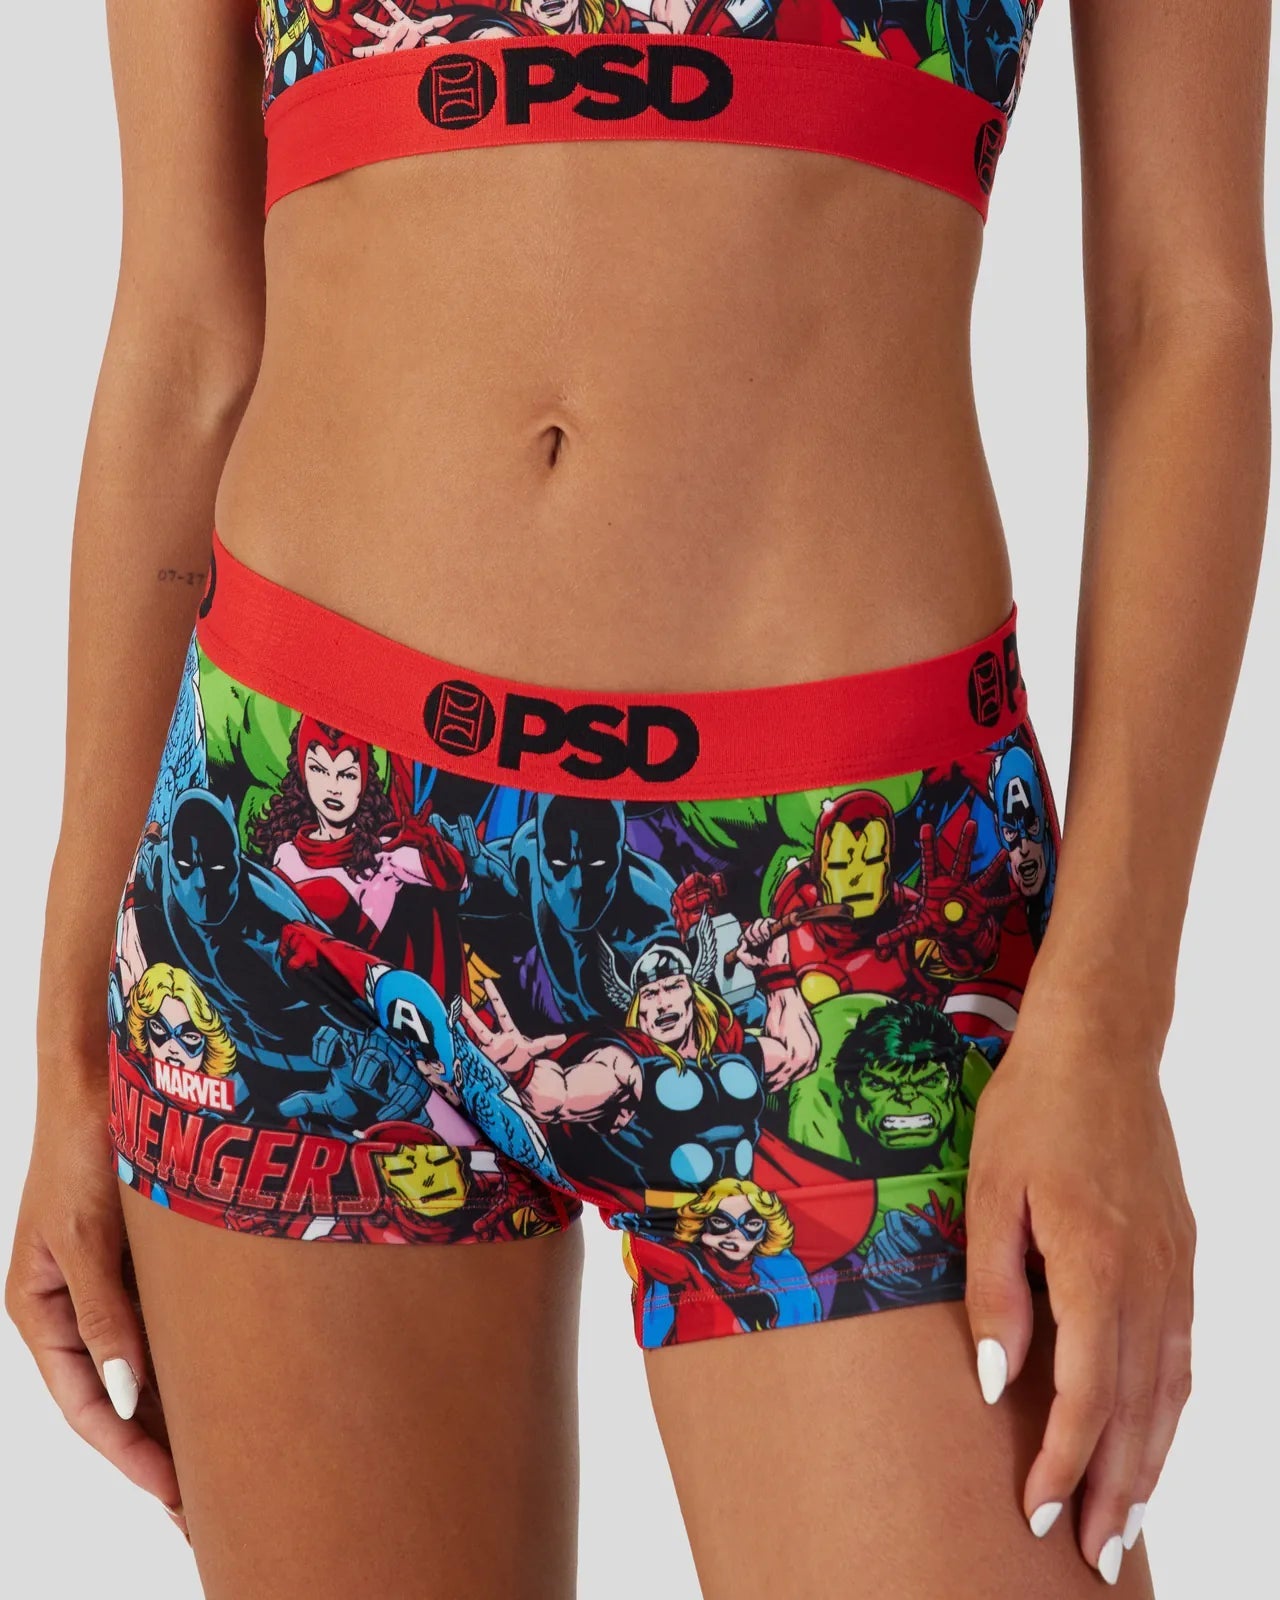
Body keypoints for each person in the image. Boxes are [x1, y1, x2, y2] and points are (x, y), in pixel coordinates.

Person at [4, 3, 1269, 1597]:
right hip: (290, 866)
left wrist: (1106, 1028)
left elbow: (1185, 310)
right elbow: (186, 334)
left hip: (837, 894)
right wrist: (66, 1048)